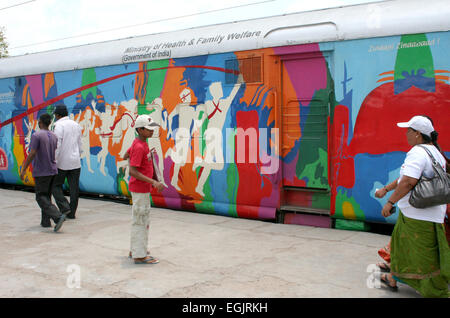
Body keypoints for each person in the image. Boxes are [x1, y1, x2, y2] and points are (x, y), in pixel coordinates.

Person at [376, 115, 449, 297]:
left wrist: (390, 202)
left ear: (417, 134)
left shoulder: (417, 152)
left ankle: (434, 291)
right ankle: (393, 278)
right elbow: (404, 178)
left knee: (422, 257)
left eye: (409, 131)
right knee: (402, 249)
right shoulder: (434, 152)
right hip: (426, 214)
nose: (406, 134)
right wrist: (386, 190)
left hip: (419, 216)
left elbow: (408, 181)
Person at [125, 114, 165, 264]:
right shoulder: (140, 146)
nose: (152, 131)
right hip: (140, 189)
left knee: (140, 219)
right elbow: (133, 171)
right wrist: (154, 182)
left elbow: (127, 153)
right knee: (141, 220)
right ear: (140, 130)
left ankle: (135, 249)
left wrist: (127, 154)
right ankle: (140, 255)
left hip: (142, 189)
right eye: (148, 129)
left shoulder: (140, 143)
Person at [20, 113, 66, 232]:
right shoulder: (54, 136)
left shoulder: (37, 135)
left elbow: (33, 153)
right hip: (53, 170)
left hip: (42, 171)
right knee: (47, 196)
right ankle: (45, 222)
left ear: (40, 123)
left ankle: (57, 216)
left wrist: (24, 168)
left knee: (40, 197)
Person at [52, 105, 83, 219]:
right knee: (74, 188)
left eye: (55, 115)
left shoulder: (58, 125)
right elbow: (80, 144)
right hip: (75, 162)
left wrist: (54, 160)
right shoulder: (76, 125)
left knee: (55, 186)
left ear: (58, 115)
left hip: (62, 162)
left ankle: (65, 207)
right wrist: (78, 155)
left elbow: (57, 145)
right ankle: (72, 213)